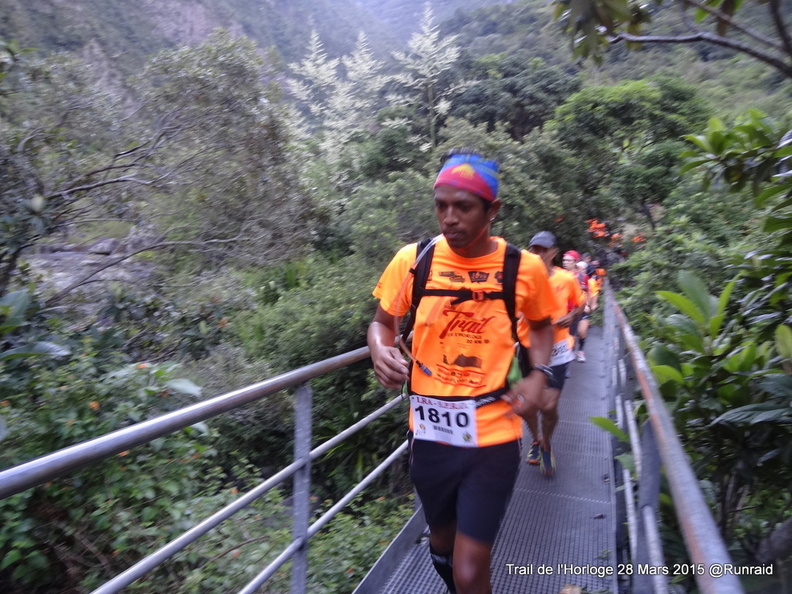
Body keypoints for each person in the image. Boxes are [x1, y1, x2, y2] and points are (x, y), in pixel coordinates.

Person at [367, 151, 555, 594]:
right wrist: (379, 349)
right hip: (429, 433)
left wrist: (539, 373)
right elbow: (382, 321)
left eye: (464, 207)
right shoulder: (415, 260)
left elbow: (542, 325)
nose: (449, 218)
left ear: (492, 210)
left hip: (492, 434)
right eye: (441, 205)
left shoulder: (522, 268)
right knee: (442, 543)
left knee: (470, 571)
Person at [523, 231, 585, 476]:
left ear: (553, 253)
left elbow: (581, 303)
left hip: (557, 347)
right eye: (534, 249)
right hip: (527, 347)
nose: (537, 254)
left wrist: (572, 315)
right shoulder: (520, 279)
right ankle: (536, 439)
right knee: (528, 405)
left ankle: (546, 442)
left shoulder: (566, 279)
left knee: (548, 406)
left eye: (543, 249)